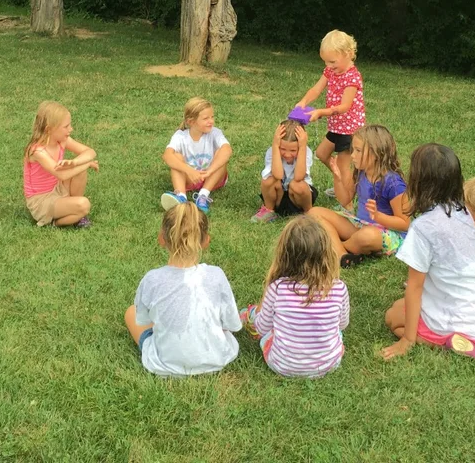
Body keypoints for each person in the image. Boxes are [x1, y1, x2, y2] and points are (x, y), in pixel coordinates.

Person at [382, 144, 475, 361]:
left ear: (418, 183)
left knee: (393, 317)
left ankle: (459, 345)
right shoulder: (466, 213)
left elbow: (414, 286)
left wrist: (407, 340)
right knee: (398, 305)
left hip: (457, 317)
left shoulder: (423, 228)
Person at [124, 201, 243, 376]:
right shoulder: (216, 275)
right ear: (206, 241)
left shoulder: (152, 279)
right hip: (217, 359)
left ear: (161, 238)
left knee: (130, 312)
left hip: (165, 364)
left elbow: (142, 319)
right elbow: (232, 324)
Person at [240, 217, 349, 377]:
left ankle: (248, 314)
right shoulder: (339, 288)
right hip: (329, 364)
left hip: (281, 365)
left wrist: (259, 317)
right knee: (337, 335)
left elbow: (262, 328)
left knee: (267, 331)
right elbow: (342, 325)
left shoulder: (277, 288)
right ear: (326, 252)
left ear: (285, 253)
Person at [308, 125, 408, 267]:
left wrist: (379, 217)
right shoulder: (361, 171)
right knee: (314, 212)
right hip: (360, 224)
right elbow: (345, 199)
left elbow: (405, 224)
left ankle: (332, 247)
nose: (353, 155)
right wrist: (337, 178)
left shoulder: (393, 183)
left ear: (376, 154)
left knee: (368, 236)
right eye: (352, 150)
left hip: (386, 234)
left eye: (358, 151)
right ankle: (342, 255)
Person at [294, 30, 365, 198]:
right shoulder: (331, 71)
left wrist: (321, 112)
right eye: (326, 62)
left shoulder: (352, 78)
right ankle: (343, 183)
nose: (329, 66)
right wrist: (303, 102)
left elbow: (344, 107)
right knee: (322, 154)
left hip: (350, 130)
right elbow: (317, 89)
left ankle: (347, 199)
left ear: (348, 54)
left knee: (342, 165)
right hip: (336, 127)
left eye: (332, 61)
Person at [24, 101, 98, 228]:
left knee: (79, 171)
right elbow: (62, 175)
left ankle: (76, 214)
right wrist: (86, 164)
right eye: (66, 126)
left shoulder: (62, 140)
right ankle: (55, 223)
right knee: (84, 204)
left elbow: (90, 152)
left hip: (56, 188)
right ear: (49, 129)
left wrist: (76, 162)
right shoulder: (37, 151)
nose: (71, 129)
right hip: (41, 201)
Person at [161, 97, 232, 214]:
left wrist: (210, 171)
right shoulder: (180, 136)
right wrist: (189, 171)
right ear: (191, 122)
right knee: (176, 157)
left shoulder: (215, 133)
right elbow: (167, 156)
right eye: (206, 118)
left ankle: (203, 196)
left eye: (212, 117)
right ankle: (181, 197)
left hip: (213, 178)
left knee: (221, 153)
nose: (211, 121)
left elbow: (227, 150)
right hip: (190, 179)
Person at [251, 120, 317, 223]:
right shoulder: (272, 151)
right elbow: (277, 175)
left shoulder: (306, 151)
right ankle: (269, 210)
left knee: (297, 185)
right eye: (282, 149)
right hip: (279, 196)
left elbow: (299, 177)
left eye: (293, 151)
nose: (287, 154)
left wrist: (303, 147)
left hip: (298, 198)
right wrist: (275, 147)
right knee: (268, 181)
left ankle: (308, 213)